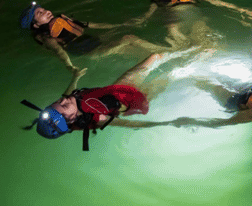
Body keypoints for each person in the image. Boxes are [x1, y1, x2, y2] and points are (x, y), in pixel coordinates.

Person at [20, 53, 164, 151]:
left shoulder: (70, 103)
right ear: (72, 119)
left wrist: (75, 77)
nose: (63, 100)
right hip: (133, 98)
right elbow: (125, 124)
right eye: (63, 105)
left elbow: (69, 93)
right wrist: (165, 124)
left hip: (122, 87)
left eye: (58, 101)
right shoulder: (97, 118)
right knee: (161, 70)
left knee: (155, 59)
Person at [114, 68, 252, 129]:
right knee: (211, 73)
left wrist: (190, 121)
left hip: (232, 99)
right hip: (245, 89)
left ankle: (139, 98)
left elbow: (223, 123)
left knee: (198, 78)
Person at [19, 1, 187, 70]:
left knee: (135, 52)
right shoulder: (47, 37)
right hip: (88, 52)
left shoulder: (61, 20)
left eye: (43, 8)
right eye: (40, 13)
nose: (46, 11)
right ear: (35, 24)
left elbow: (89, 25)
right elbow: (60, 52)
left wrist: (120, 24)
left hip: (91, 41)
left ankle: (172, 63)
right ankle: (174, 50)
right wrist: (72, 69)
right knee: (129, 39)